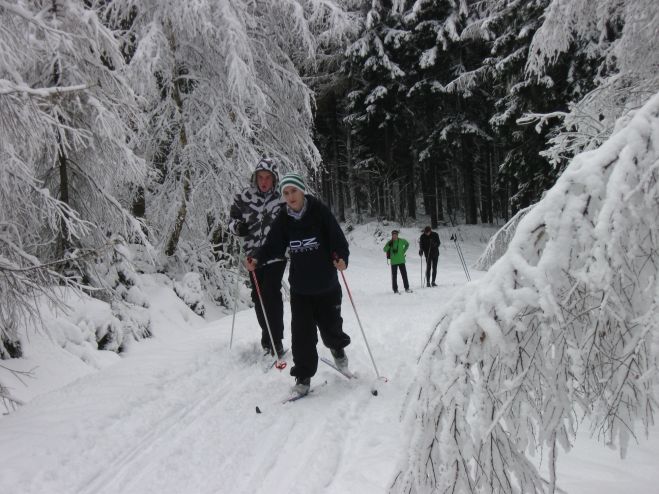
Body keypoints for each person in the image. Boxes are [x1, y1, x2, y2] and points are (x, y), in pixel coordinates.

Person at [246, 172, 351, 396]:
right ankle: (303, 377)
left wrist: (341, 258)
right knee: (302, 336)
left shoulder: (319, 212)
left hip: (327, 286)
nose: (290, 196)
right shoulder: (284, 218)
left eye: (294, 191)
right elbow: (272, 245)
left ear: (302, 191)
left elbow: (337, 240)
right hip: (301, 289)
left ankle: (337, 349)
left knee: (331, 329)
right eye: (286, 193)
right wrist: (257, 258)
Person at [228, 157, 286, 358]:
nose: (264, 182)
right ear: (255, 178)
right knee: (258, 296)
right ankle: (266, 335)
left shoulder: (281, 199)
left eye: (268, 178)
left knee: (271, 292)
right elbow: (231, 220)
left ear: (274, 179)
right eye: (260, 177)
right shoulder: (244, 197)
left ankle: (276, 339)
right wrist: (237, 227)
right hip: (252, 257)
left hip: (276, 255)